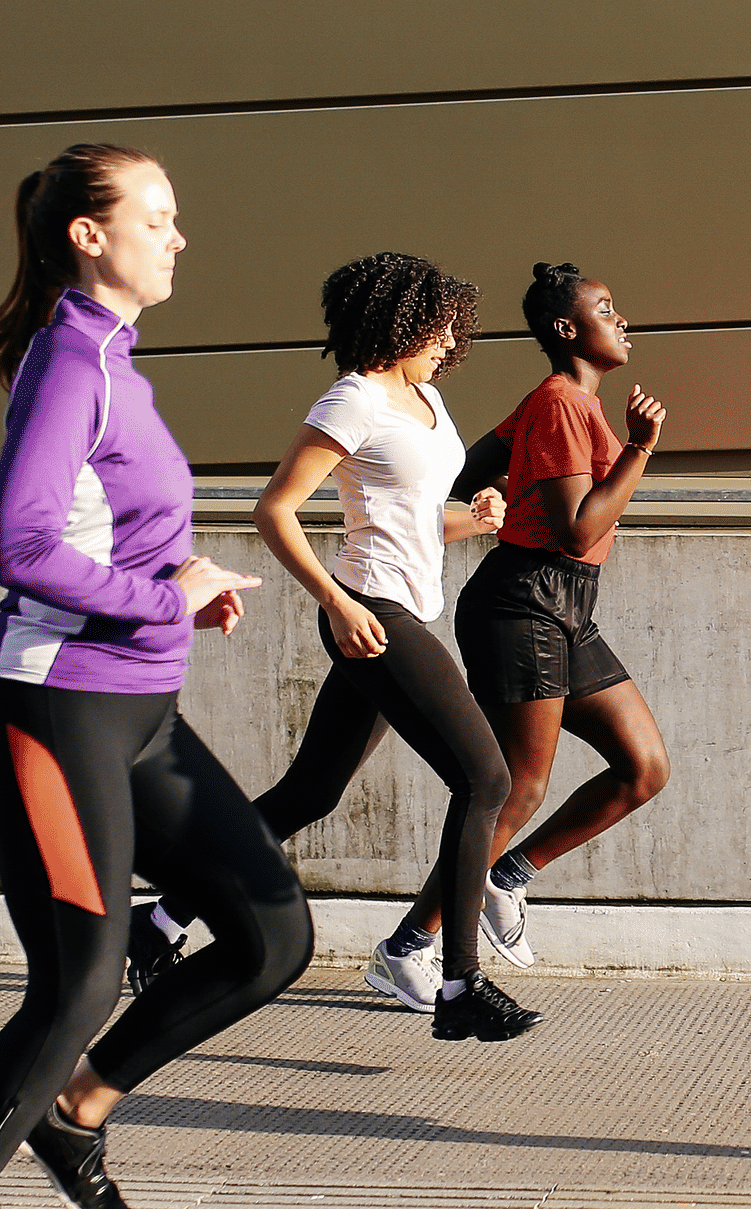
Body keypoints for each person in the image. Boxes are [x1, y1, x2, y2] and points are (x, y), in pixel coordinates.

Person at [0, 144, 316, 1209]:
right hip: (51, 708)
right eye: (159, 216)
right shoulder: (68, 360)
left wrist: (182, 572)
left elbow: (114, 529)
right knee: (75, 981)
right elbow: (20, 547)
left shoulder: (119, 365)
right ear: (89, 234)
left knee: (272, 936)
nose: (179, 238)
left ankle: (78, 1108)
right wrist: (160, 595)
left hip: (141, 711)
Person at [205, 250, 533, 1042]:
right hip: (373, 612)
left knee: (312, 791)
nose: (450, 341)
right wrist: (336, 600)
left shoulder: (423, 399)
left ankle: (164, 917)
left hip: (408, 607)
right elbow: (275, 510)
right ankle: (456, 982)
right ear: (399, 320)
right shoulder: (352, 399)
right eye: (438, 325)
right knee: (487, 776)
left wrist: (476, 516)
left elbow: (418, 514)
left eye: (455, 327)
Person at [436, 264, 671, 980]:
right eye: (607, 308)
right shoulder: (564, 402)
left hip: (568, 605)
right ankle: (411, 946)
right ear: (568, 329)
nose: (622, 318)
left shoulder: (567, 405)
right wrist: (639, 449)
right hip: (525, 601)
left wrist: (493, 489)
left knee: (642, 768)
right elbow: (575, 530)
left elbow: (471, 462)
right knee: (517, 787)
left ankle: (507, 877)